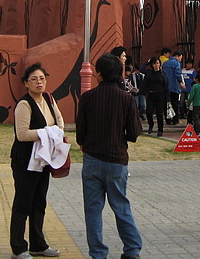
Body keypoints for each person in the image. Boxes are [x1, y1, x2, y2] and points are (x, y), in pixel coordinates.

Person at [76, 53, 143, 259]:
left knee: (93, 210)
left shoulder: (87, 98)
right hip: (116, 160)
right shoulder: (126, 99)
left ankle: (98, 253)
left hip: (92, 160)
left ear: (100, 74)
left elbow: (80, 134)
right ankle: (132, 249)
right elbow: (133, 134)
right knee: (121, 206)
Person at [9, 63, 65, 259]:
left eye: (41, 78)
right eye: (33, 79)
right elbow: (22, 134)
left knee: (39, 201)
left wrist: (53, 132)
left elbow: (60, 123)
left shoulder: (49, 99)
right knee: (23, 203)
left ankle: (38, 244)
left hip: (44, 159)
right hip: (25, 160)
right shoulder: (24, 104)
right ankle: (18, 247)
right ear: (26, 83)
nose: (38, 82)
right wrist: (48, 133)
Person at [144, 57, 167, 136]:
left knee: (159, 113)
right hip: (151, 94)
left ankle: (160, 130)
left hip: (160, 95)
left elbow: (166, 85)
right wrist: (147, 63)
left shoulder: (163, 73)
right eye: (154, 63)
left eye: (157, 63)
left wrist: (168, 98)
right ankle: (151, 124)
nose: (156, 65)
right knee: (149, 112)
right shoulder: (149, 73)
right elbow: (141, 69)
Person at [162, 50, 184, 125]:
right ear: (177, 56)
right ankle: (175, 119)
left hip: (166, 86)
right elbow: (177, 73)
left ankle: (168, 119)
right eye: (180, 58)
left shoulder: (165, 63)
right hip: (174, 86)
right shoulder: (176, 63)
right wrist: (181, 82)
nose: (180, 60)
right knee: (175, 104)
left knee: (167, 103)